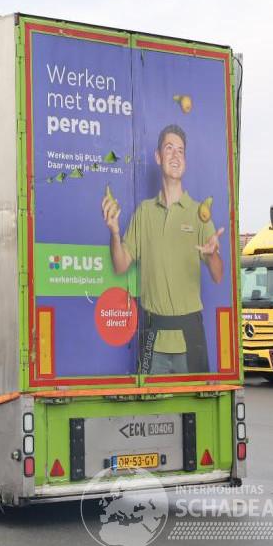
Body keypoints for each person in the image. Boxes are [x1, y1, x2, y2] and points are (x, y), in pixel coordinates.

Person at [102, 124, 224, 374]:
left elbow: (218, 275)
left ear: (185, 161)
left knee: (194, 401)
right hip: (153, 339)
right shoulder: (144, 212)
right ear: (158, 157)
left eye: (180, 150)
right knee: (151, 401)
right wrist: (114, 232)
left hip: (190, 339)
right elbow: (121, 265)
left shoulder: (199, 213)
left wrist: (212, 255)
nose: (175, 155)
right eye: (169, 148)